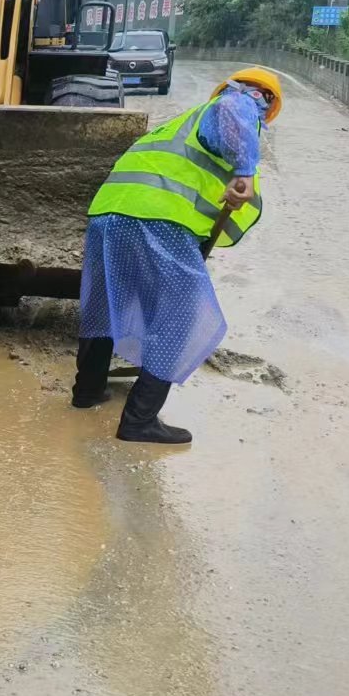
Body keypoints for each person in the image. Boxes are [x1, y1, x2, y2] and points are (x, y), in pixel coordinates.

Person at [72, 67, 282, 444]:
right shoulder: (239, 102)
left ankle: (87, 391)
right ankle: (139, 421)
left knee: (105, 304)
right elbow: (237, 107)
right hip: (160, 220)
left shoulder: (178, 127)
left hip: (109, 212)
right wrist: (246, 172)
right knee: (180, 317)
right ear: (264, 101)